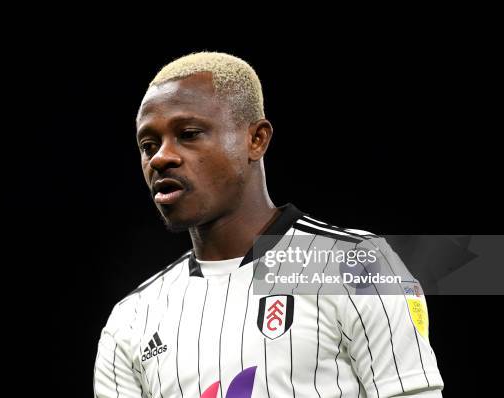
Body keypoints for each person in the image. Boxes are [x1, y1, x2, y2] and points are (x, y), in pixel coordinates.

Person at [93, 52, 443, 397]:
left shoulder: (356, 266)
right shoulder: (132, 318)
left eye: (188, 133)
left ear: (256, 139)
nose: (160, 158)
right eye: (148, 145)